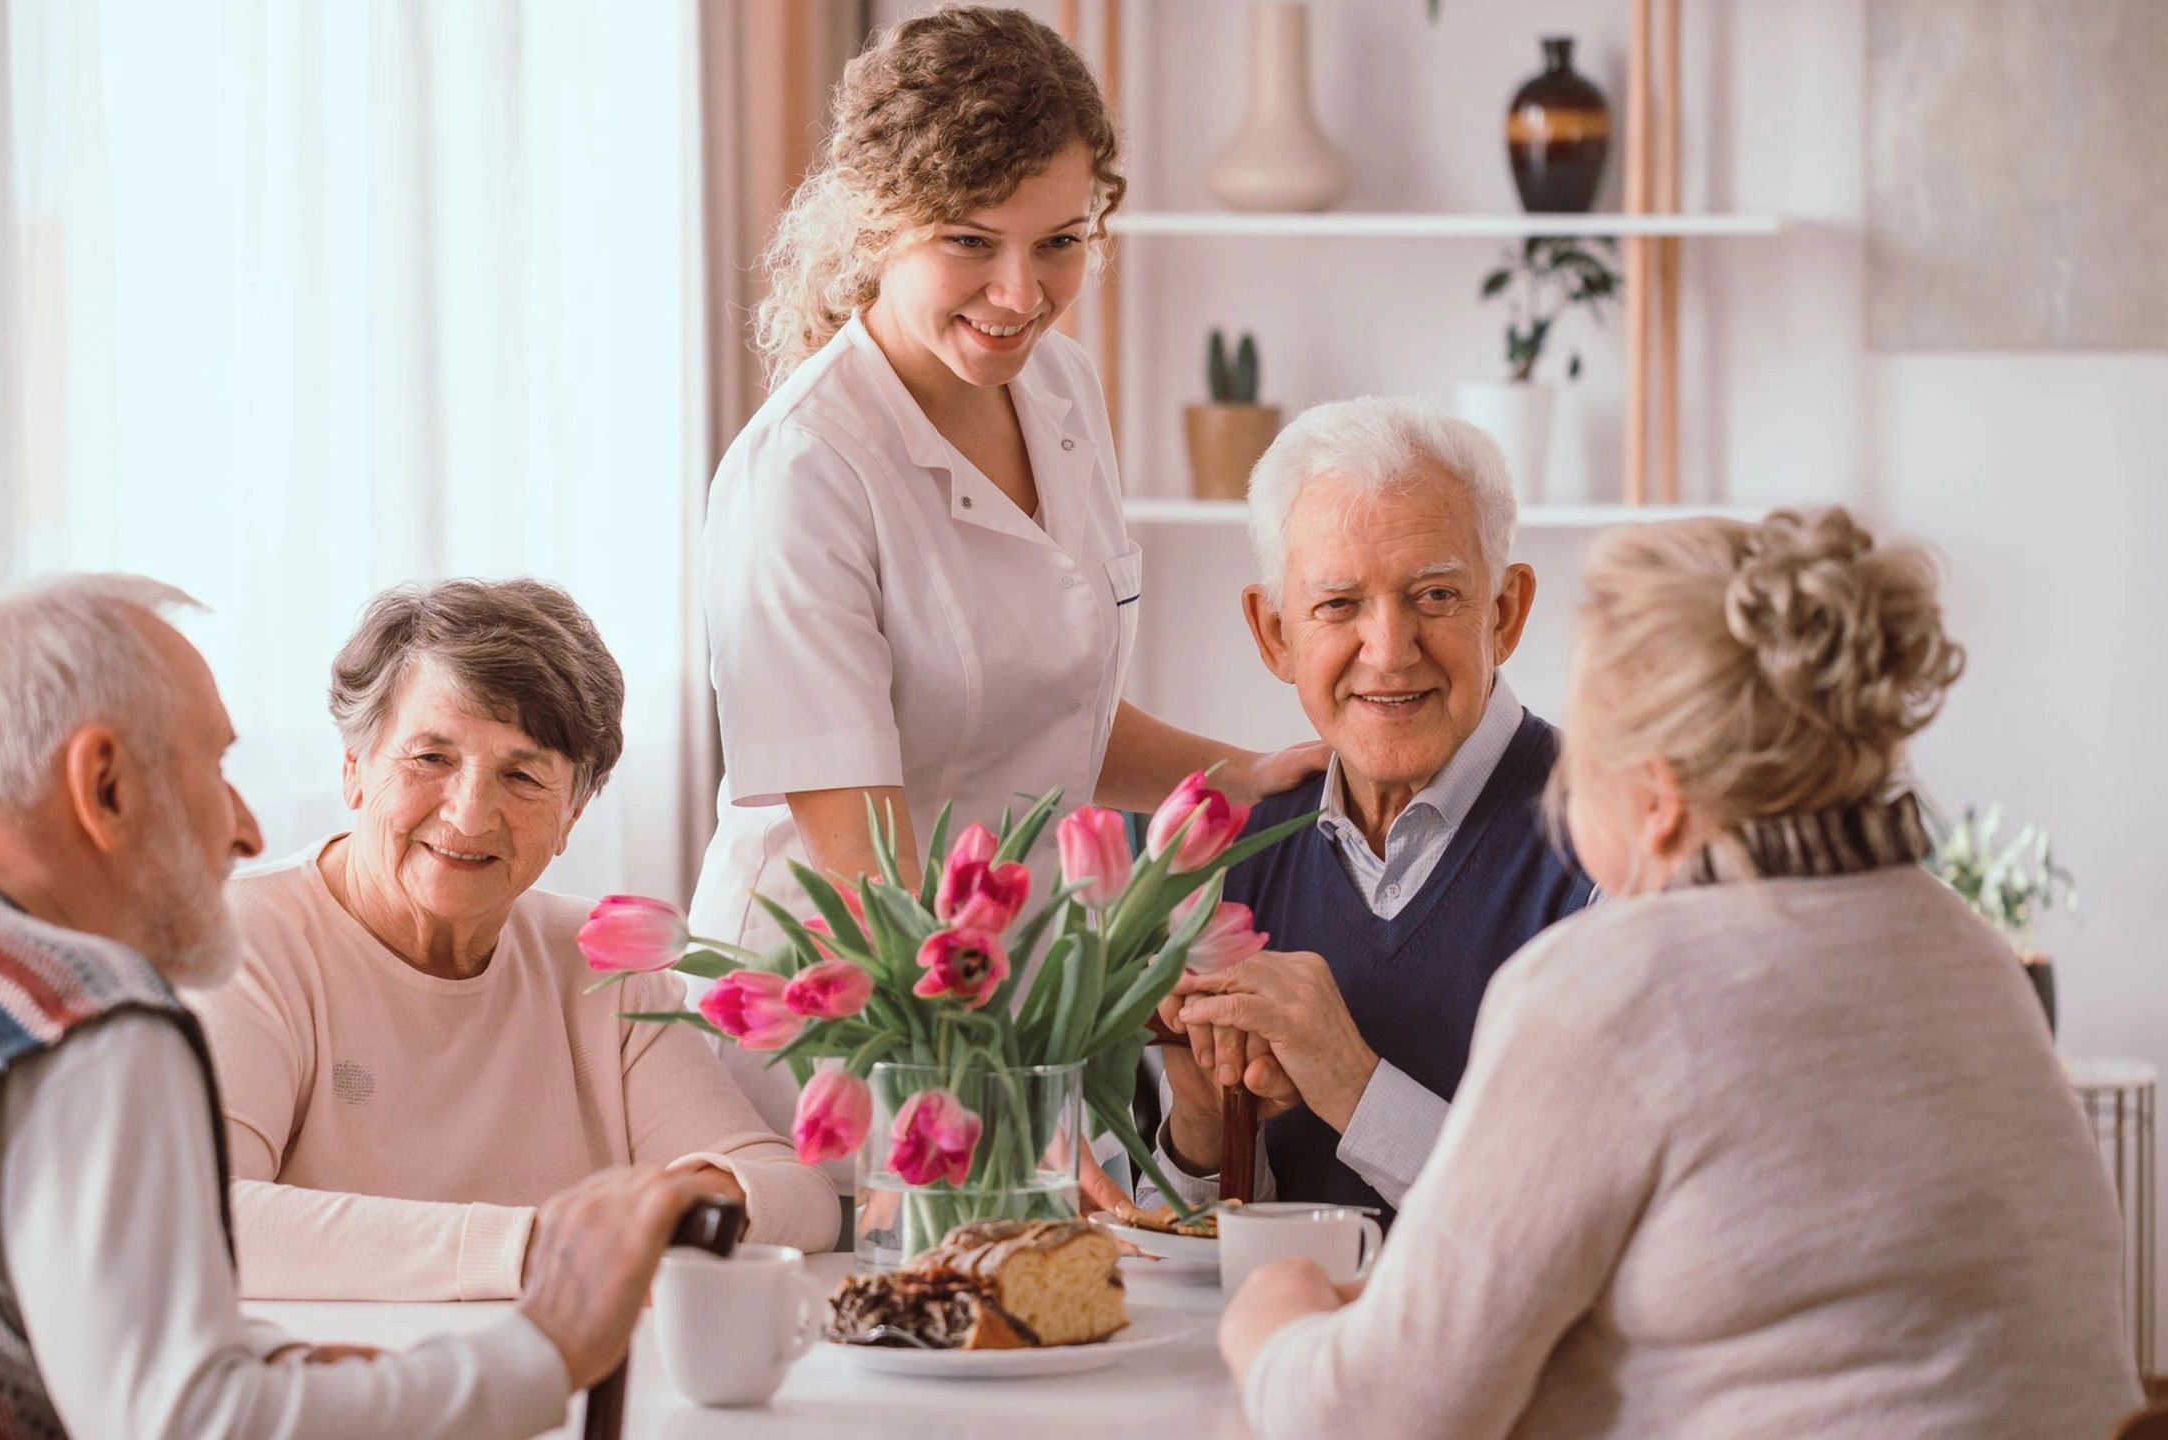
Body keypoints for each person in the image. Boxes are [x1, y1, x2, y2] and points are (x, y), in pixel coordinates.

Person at [0, 575, 722, 1440]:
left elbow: (98, 1358)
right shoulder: (80, 1014)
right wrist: (546, 1348)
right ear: (104, 785)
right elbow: (194, 1427)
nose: (243, 830)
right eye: (215, 766)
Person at [1221, 509, 2144, 1437]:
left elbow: (1375, 1419)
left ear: (1656, 802)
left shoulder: (1614, 987)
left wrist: (1275, 1309)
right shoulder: (1963, 946)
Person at [694, 3, 1325, 1161]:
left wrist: (1238, 772)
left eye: (1061, 243)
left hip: (1002, 992)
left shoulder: (1061, 393)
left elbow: (1042, 703)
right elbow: (870, 876)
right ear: (878, 226)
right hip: (858, 1023)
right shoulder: (806, 475)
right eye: (971, 243)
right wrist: (1028, 1129)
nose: (1021, 294)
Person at [195, 579, 837, 1300]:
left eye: (523, 775)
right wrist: (539, 1247)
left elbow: (796, 1196)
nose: (470, 815)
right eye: (430, 759)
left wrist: (689, 1202)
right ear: (354, 768)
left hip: (563, 1385)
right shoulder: (244, 941)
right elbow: (206, 1220)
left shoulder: (597, 961)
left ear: (574, 812)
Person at [1147, 398, 1596, 1214]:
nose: (1387, 652)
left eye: (1433, 596)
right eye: (1337, 605)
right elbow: (1163, 1243)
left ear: (1505, 611)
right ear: (1274, 632)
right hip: (1266, 1340)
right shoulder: (1222, 855)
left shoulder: (1620, 845)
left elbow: (1594, 1232)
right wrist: (1207, 1129)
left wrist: (1352, 1083)